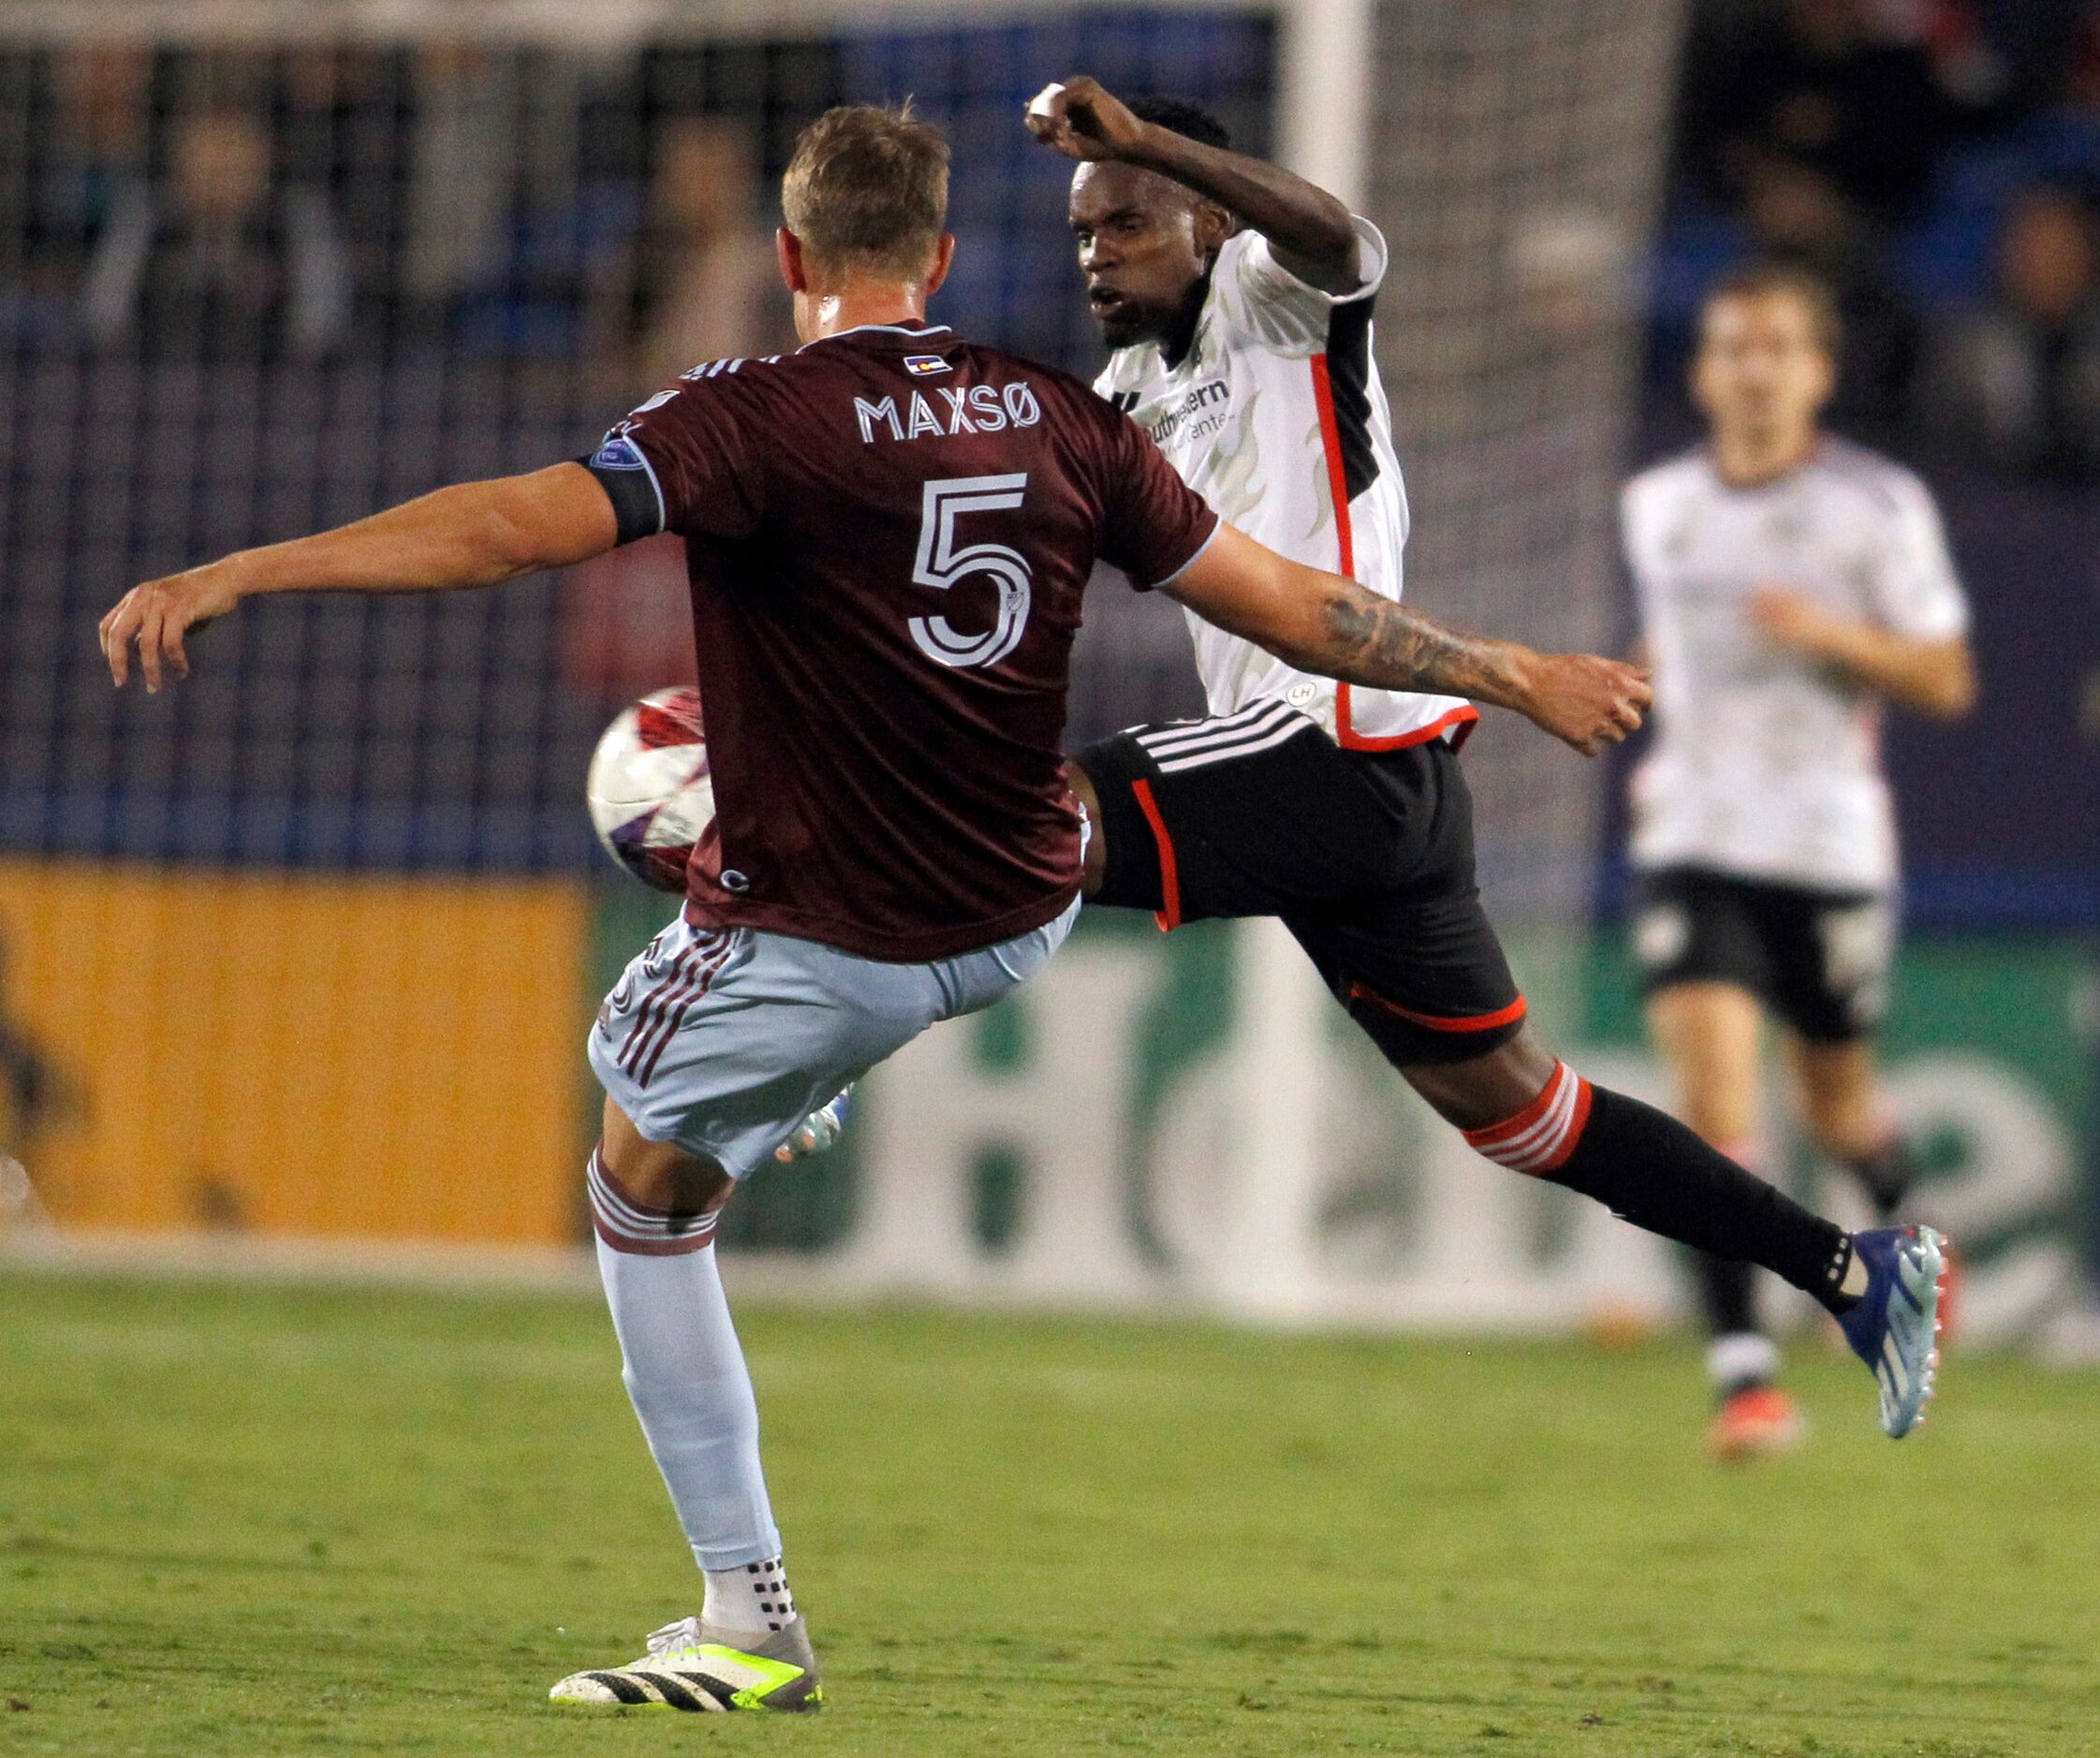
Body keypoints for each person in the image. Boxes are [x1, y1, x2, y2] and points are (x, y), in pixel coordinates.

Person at [99, 103, 1659, 1714]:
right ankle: (798, 1070)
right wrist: (1505, 668)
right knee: (812, 946)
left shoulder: (744, 416)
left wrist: (246, 571)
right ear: (943, 257)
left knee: (638, 1189)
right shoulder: (1061, 411)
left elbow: (505, 529)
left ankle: (743, 1615)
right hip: (1027, 897)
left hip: (846, 925)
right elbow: (1297, 603)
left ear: (786, 257)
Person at [1021, 76, 1946, 1458]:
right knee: (1525, 1115)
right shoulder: (1118, 397)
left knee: (1009, 824)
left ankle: (814, 1056)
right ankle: (1849, 1271)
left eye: (1125, 223)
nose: (1095, 253)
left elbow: (1340, 236)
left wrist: (1145, 140)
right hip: (1372, 791)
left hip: (1325, 742)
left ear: (1205, 222)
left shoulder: (1274, 302)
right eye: (1082, 234)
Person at [1622, 262, 1976, 1458]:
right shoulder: (1658, 502)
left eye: (1777, 347)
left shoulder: (1874, 508)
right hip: (1692, 840)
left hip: (1824, 845)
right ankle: (1743, 1378)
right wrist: (1633, 690)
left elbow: (1942, 678)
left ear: (1818, 373)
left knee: (1835, 1103)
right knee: (1716, 1106)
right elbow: (1671, 641)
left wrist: (1826, 632)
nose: (1754, 368)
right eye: (1731, 347)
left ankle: (1905, 1234)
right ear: (1701, 372)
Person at [1924, 185, 2100, 487]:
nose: (2045, 262)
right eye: (2033, 246)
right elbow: (1942, 447)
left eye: (2061, 247)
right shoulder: (1968, 343)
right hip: (1995, 509)